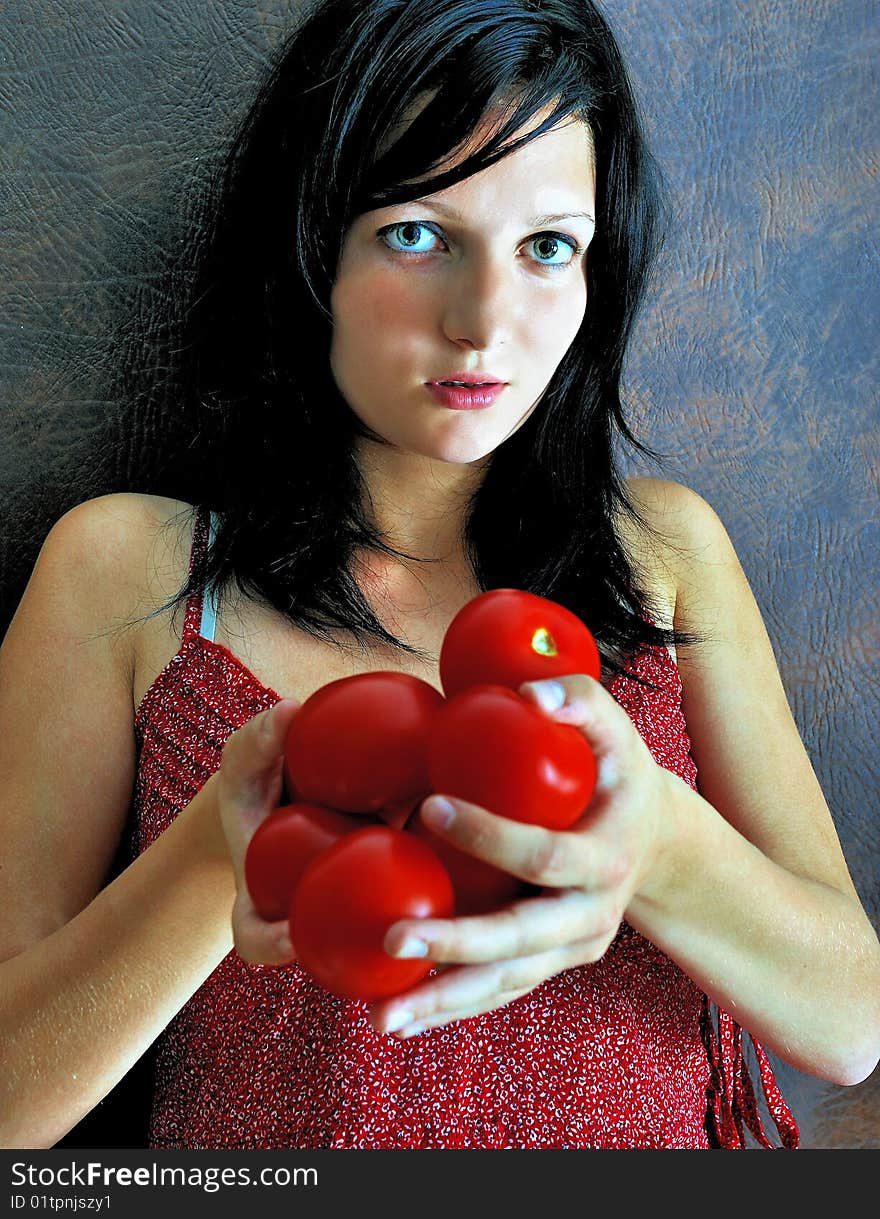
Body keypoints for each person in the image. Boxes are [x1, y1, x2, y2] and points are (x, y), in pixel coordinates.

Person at [1, 0, 878, 1151]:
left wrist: (657, 844)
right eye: (417, 233)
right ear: (312, 242)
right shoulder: (130, 568)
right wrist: (224, 848)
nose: (484, 324)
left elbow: (852, 1022)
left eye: (547, 246)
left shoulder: (662, 552)